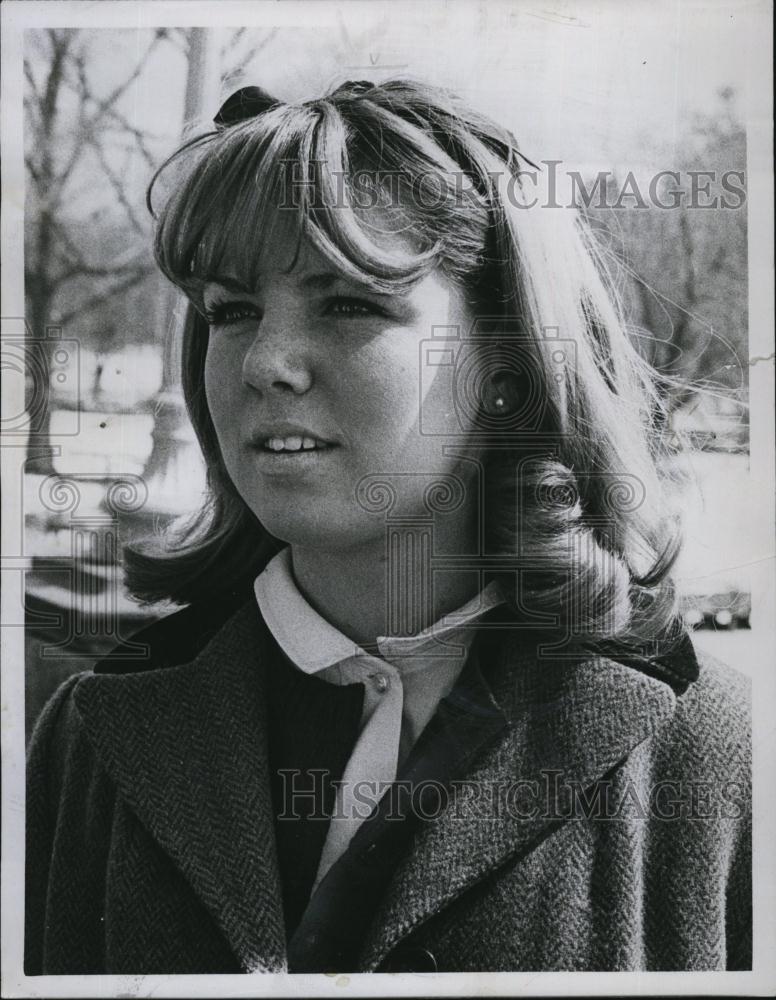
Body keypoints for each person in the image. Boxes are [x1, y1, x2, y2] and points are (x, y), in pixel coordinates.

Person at [25, 78, 751, 975]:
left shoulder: (710, 751)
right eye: (231, 310)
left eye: (349, 303)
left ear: (508, 358)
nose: (266, 363)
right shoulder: (92, 733)